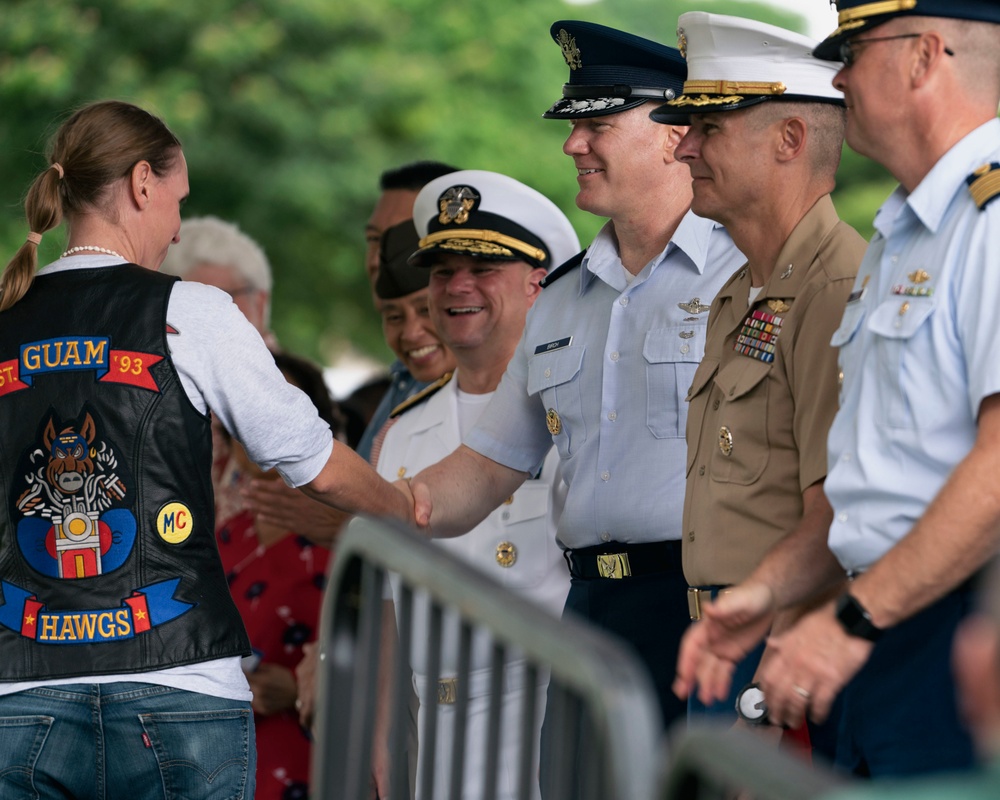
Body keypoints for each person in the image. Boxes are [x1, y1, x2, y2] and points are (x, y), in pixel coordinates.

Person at [0, 99, 412, 799]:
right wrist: (403, 508)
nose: (178, 224)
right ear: (140, 184)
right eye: (176, 199)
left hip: (21, 689)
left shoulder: (7, 318)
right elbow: (310, 456)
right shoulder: (187, 310)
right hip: (178, 684)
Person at [670, 0, 1000, 778]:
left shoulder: (991, 220)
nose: (839, 75)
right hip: (880, 623)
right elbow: (869, 485)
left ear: (924, 57)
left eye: (854, 49)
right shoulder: (908, 230)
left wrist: (851, 618)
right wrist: (768, 591)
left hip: (948, 625)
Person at [405, 20, 745, 731]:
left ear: (673, 132)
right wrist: (368, 492)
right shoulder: (562, 298)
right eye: (571, 125)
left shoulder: (748, 271)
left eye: (598, 123)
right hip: (590, 612)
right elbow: (487, 466)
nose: (571, 144)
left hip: (713, 609)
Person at [651, 13, 865, 734]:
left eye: (710, 128)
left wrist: (766, 698)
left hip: (777, 652)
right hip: (728, 638)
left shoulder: (834, 286)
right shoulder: (745, 288)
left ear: (790, 140)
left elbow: (838, 518)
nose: (683, 147)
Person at [374, 171, 578, 800]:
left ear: (537, 284)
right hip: (438, 733)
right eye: (441, 270)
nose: (457, 286)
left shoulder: (576, 412)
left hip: (548, 726)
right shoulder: (400, 435)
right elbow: (390, 612)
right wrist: (383, 743)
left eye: (483, 266)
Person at [216, 350, 338, 800]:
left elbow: (383, 643)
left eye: (280, 406)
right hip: (230, 756)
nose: (260, 428)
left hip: (324, 749)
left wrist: (302, 688)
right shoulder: (225, 535)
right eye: (246, 413)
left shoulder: (348, 532)